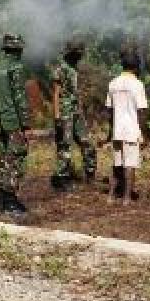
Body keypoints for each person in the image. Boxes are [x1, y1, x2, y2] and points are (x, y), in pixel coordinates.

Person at [0, 33, 31, 216]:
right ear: (17, 49)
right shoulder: (16, 67)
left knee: (2, 159)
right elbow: (20, 98)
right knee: (15, 159)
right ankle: (10, 202)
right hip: (13, 121)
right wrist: (26, 124)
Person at [51, 40, 97, 190]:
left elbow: (76, 94)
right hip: (65, 113)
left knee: (88, 143)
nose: (79, 56)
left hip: (76, 113)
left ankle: (90, 176)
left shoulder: (74, 68)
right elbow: (56, 93)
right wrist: (57, 115)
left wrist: (81, 113)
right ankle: (62, 180)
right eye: (77, 53)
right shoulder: (61, 68)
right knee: (65, 146)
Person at [105, 50, 148, 204]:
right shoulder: (138, 85)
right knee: (130, 164)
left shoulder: (113, 83)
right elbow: (141, 110)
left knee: (117, 164)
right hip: (131, 130)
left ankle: (110, 196)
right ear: (136, 67)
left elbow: (109, 111)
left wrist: (110, 132)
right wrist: (141, 131)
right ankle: (126, 198)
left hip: (117, 129)